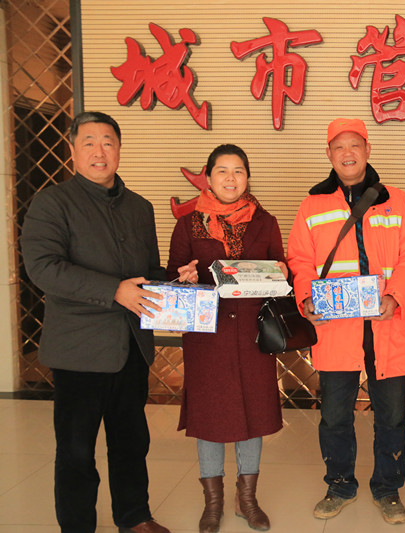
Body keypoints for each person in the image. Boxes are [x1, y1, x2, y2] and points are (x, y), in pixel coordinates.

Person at [20, 111, 195, 533]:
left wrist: (176, 281)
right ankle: (77, 525)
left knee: (131, 442)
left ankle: (134, 517)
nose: (99, 151)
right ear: (72, 150)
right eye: (89, 142)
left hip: (131, 346)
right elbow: (43, 268)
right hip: (79, 351)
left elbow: (145, 274)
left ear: (119, 149)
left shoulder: (139, 208)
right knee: (77, 450)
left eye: (108, 142)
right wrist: (113, 290)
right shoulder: (52, 203)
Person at [287, 118, 405, 525]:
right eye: (338, 147)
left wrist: (395, 295)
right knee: (334, 414)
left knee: (391, 415)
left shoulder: (399, 202)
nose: (347, 153)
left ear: (367, 150)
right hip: (336, 328)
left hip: (388, 323)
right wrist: (306, 297)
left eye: (354, 145)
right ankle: (339, 484)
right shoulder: (312, 205)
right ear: (328, 154)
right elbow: (299, 259)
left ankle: (387, 488)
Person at [166, 144, 288, 532]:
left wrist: (281, 273)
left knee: (252, 415)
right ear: (209, 177)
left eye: (238, 171)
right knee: (210, 418)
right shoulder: (188, 224)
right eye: (222, 170)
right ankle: (213, 502)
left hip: (253, 336)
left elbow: (281, 274)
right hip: (208, 337)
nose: (230, 178)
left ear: (247, 177)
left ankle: (246, 499)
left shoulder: (265, 222)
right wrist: (183, 277)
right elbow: (171, 276)